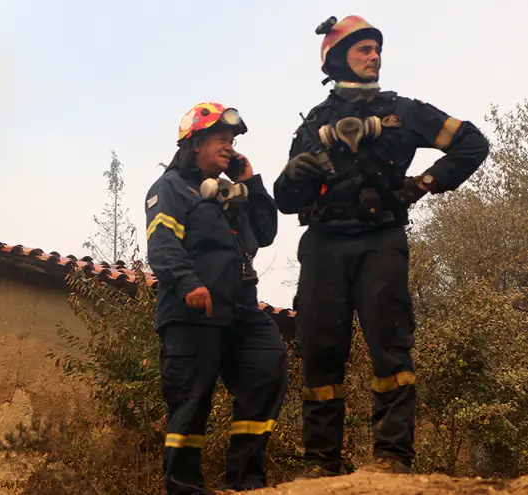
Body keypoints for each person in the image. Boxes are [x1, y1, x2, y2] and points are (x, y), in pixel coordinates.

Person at [273, 15, 490, 478]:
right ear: (335, 59)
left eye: (377, 49)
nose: (374, 57)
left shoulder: (404, 111)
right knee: (319, 350)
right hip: (324, 245)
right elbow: (285, 201)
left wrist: (427, 182)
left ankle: (392, 457)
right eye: (362, 50)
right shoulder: (313, 123)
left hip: (381, 241)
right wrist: (296, 173)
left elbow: (472, 143)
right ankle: (320, 462)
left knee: (391, 346)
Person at [146, 101, 290, 493]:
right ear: (195, 144)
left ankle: (246, 482)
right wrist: (189, 283)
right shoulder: (170, 189)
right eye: (220, 139)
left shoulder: (231, 193)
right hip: (191, 315)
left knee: (268, 369)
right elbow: (162, 246)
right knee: (190, 404)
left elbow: (265, 233)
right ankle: (183, 488)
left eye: (231, 141)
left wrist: (252, 182)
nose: (228, 146)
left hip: (241, 310)